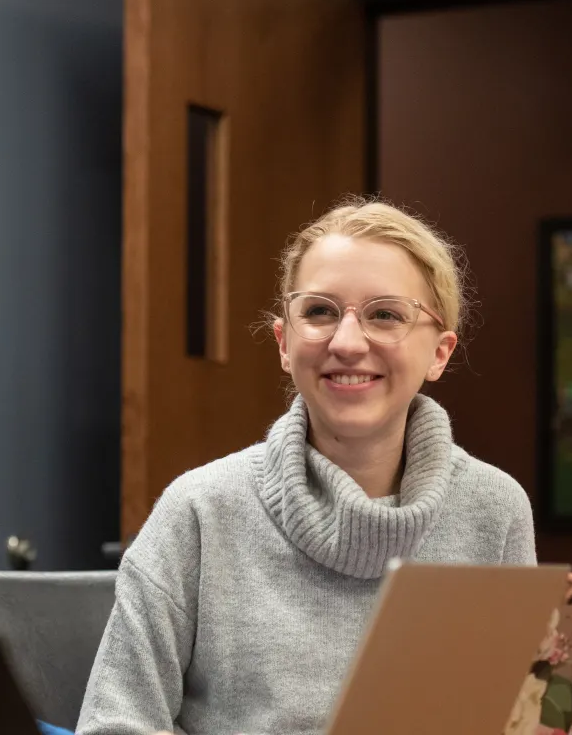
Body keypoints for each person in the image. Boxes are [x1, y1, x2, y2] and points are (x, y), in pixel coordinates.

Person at [76, 196, 537, 735]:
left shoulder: (494, 510)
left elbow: (518, 721)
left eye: (385, 314)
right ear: (284, 343)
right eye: (319, 312)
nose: (346, 342)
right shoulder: (200, 511)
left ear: (440, 352)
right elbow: (114, 725)